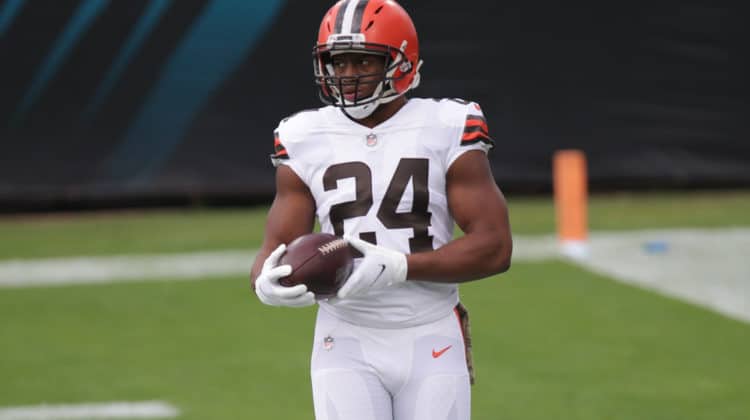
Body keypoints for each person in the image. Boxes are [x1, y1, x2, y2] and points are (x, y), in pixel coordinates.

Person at [250, 1, 512, 419]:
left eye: (363, 61)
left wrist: (401, 266)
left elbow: (495, 248)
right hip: (345, 335)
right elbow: (276, 247)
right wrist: (266, 280)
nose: (348, 76)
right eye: (338, 62)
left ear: (402, 62)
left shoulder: (447, 124)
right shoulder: (303, 135)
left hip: (430, 331)